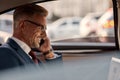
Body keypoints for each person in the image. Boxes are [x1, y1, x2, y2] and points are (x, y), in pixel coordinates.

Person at [0, 4, 62, 71]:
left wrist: (48, 53)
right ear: (23, 25)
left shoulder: (29, 55)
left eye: (45, 29)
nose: (45, 35)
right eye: (41, 28)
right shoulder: (5, 54)